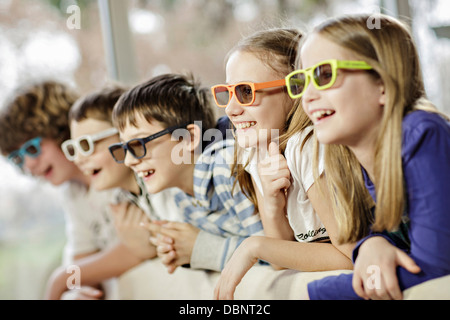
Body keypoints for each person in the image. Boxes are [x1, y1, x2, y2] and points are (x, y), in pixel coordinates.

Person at [285, 14, 450, 299]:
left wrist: (311, 293)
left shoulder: (421, 134)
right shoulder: (350, 161)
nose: (307, 96)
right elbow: (396, 243)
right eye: (301, 81)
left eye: (325, 75)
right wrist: (372, 244)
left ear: (382, 84)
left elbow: (434, 268)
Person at [212, 28, 354, 300]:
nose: (230, 109)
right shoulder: (254, 151)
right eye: (227, 92)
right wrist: (272, 205)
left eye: (245, 92)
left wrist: (253, 246)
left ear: (296, 89)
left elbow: (349, 257)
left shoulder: (308, 146)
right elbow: (281, 259)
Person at [110, 73, 264, 274]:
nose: (129, 161)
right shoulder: (180, 196)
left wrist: (202, 248)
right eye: (124, 149)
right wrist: (181, 250)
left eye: (138, 144)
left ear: (189, 138)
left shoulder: (226, 167)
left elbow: (276, 254)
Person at [44, 85, 182, 299]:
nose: (78, 159)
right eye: (73, 148)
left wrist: (60, 281)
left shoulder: (163, 185)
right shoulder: (119, 198)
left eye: (87, 145)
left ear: (125, 137)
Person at [0, 80, 118, 299]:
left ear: (61, 130)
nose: (29, 165)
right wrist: (75, 286)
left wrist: (60, 281)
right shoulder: (72, 193)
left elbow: (138, 247)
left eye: (33, 148)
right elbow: (81, 265)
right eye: (18, 158)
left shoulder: (114, 172)